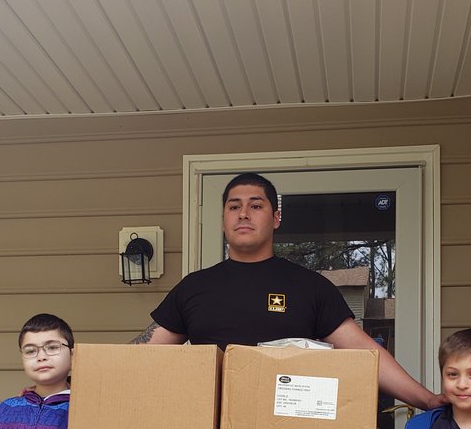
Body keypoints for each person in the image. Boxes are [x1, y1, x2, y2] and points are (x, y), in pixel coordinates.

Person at [131, 172, 444, 412]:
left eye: (256, 205)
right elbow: (142, 354)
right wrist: (90, 370)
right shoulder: (194, 287)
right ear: (224, 219)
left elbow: (366, 354)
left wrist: (428, 400)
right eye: (234, 206)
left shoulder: (309, 287)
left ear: (276, 217)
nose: (243, 214)